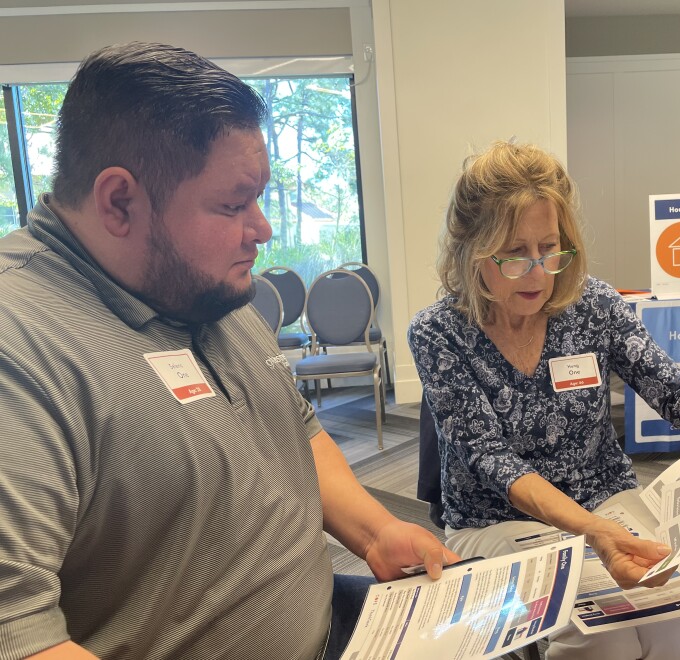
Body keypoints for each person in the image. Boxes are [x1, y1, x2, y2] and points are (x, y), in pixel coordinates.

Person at [0, 42, 458, 660]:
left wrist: (377, 532)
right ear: (119, 202)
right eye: (233, 203)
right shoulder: (21, 347)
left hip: (337, 619)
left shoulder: (207, 286)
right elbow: (20, 637)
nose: (262, 227)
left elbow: (293, 433)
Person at [409, 142, 680, 660]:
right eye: (515, 254)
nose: (540, 273)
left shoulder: (592, 304)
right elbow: (492, 460)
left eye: (550, 247)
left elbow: (674, 389)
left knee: (677, 625)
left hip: (604, 499)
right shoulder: (439, 333)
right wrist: (592, 533)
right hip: (495, 520)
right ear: (471, 250)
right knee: (600, 637)